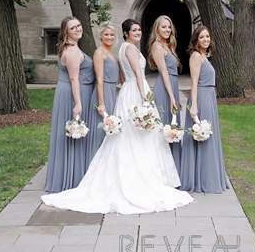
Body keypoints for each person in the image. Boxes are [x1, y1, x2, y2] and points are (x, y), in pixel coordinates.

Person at [41, 19, 193, 214]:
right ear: (126, 33)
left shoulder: (121, 50)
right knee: (139, 136)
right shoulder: (128, 49)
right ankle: (139, 178)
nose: (138, 32)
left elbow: (123, 75)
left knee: (133, 136)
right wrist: (145, 101)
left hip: (128, 91)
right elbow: (138, 76)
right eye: (134, 30)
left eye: (139, 29)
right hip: (137, 91)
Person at [44, 16, 95, 193]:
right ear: (66, 32)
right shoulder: (72, 51)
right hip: (73, 94)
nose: (78, 29)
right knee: (75, 133)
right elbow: (74, 78)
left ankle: (69, 174)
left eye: (79, 26)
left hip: (67, 91)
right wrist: (78, 103)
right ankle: (72, 177)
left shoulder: (70, 47)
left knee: (71, 135)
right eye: (73, 28)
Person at [180, 25, 228, 193]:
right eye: (202, 37)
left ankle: (207, 175)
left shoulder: (204, 56)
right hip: (201, 98)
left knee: (207, 136)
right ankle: (200, 178)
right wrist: (193, 106)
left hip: (209, 96)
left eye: (207, 37)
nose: (206, 40)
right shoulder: (195, 56)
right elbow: (193, 82)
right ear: (196, 40)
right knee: (201, 136)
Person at [148, 15, 182, 174]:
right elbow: (164, 72)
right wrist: (172, 97)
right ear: (157, 29)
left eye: (169, 27)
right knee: (164, 126)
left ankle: (174, 169)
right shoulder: (157, 46)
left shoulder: (169, 46)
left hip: (172, 87)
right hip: (164, 89)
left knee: (173, 125)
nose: (167, 29)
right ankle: (161, 171)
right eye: (163, 27)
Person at [87, 22, 120, 165]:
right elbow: (99, 79)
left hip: (112, 92)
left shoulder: (111, 53)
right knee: (102, 129)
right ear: (100, 36)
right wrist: (101, 104)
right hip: (103, 92)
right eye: (106, 34)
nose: (109, 37)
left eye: (112, 34)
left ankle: (107, 166)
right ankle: (95, 166)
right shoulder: (99, 53)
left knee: (111, 130)